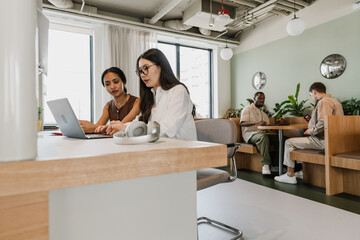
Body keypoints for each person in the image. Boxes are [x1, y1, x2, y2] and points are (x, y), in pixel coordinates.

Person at [95, 48, 197, 141]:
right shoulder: (151, 95)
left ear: (161, 66)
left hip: (182, 151)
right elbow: (140, 122)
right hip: (159, 149)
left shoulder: (178, 91)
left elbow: (167, 130)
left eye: (146, 68)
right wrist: (117, 125)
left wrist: (126, 128)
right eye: (140, 71)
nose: (142, 74)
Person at [274, 82, 344, 184]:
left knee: (289, 142)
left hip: (325, 141)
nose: (312, 98)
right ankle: (303, 171)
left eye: (311, 95)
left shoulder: (323, 102)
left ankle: (289, 174)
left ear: (314, 92)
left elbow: (323, 122)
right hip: (336, 140)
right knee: (300, 139)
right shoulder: (335, 102)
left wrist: (311, 130)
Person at [79, 67, 140, 133]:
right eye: (107, 84)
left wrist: (93, 127)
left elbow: (120, 127)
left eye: (116, 82)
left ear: (124, 82)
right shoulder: (108, 106)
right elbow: (98, 127)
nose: (112, 87)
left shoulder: (137, 102)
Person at [240, 92, 272, 174]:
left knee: (280, 138)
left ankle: (278, 165)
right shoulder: (247, 109)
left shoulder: (263, 113)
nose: (262, 100)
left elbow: (268, 127)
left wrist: (271, 125)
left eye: (263, 99)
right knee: (263, 137)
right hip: (249, 134)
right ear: (254, 99)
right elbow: (242, 123)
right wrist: (256, 123)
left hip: (261, 133)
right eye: (260, 98)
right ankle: (266, 164)